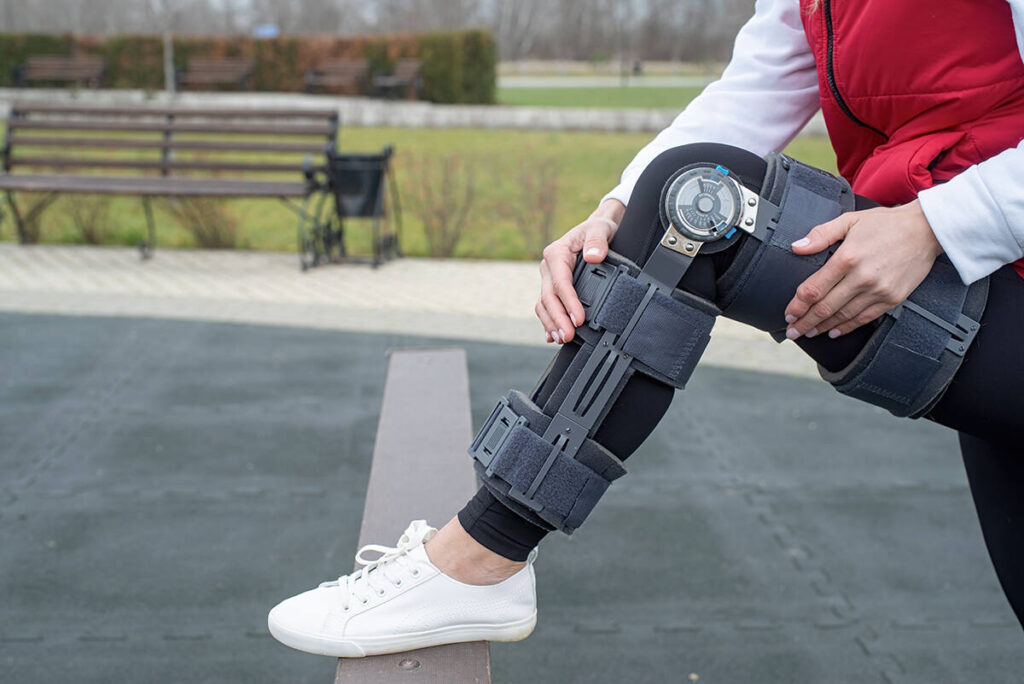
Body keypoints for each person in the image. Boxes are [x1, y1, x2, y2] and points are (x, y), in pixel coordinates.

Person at [268, 0, 1024, 658]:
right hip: (963, 266)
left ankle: (485, 552)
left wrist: (940, 222)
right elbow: (754, 91)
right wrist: (617, 209)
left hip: (975, 253)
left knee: (696, 200)